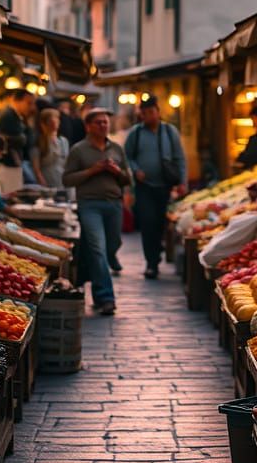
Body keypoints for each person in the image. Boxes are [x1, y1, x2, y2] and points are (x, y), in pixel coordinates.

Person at [62, 108, 131, 316]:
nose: (103, 125)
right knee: (98, 248)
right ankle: (105, 298)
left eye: (106, 122)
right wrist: (92, 171)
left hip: (114, 204)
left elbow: (127, 179)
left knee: (111, 246)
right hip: (90, 204)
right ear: (88, 126)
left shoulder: (117, 149)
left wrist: (116, 171)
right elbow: (67, 179)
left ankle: (87, 273)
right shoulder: (79, 150)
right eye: (99, 122)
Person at [124, 96, 187, 279]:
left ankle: (156, 254)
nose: (148, 116)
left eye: (151, 112)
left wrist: (183, 182)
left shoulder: (169, 132)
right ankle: (151, 263)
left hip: (164, 186)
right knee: (147, 222)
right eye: (144, 113)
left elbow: (179, 158)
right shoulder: (135, 133)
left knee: (159, 223)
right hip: (144, 187)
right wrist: (136, 170)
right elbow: (127, 157)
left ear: (158, 112)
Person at [0, 89, 36, 175]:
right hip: (8, 166)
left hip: (13, 164)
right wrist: (21, 139)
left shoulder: (17, 117)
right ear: (17, 101)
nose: (32, 107)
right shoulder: (8, 117)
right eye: (29, 103)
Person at [30, 107, 70, 189]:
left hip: (62, 180)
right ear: (44, 123)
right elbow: (36, 168)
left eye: (56, 119)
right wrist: (43, 183)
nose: (54, 123)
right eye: (51, 121)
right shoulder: (39, 142)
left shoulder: (63, 141)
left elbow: (67, 163)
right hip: (47, 180)